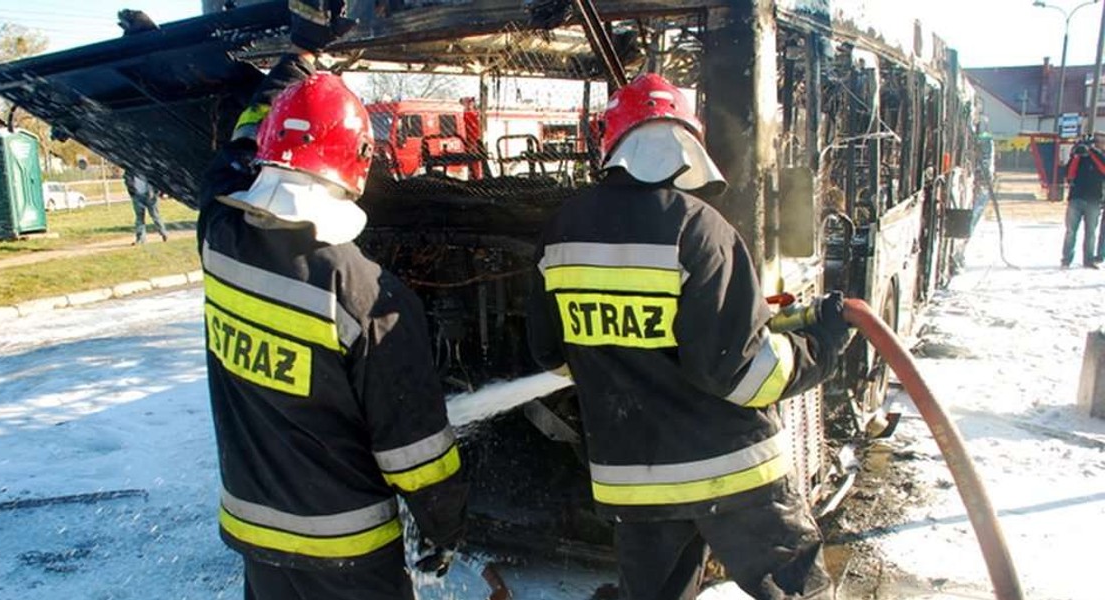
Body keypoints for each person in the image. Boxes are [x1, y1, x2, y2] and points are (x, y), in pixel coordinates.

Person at [526, 73, 851, 600]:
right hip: (733, 476)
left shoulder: (560, 232)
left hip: (634, 482)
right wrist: (823, 345)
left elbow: (553, 355)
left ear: (612, 143)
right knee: (798, 592)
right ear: (685, 145)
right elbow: (744, 373)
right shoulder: (699, 229)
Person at [196, 54, 468, 600]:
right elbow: (416, 452)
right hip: (349, 550)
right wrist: (445, 528)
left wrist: (276, 86)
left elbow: (231, 159)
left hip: (255, 531)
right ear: (357, 162)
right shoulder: (368, 296)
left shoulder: (218, 237)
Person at [1063, 132, 1105, 269]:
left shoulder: (1100, 156)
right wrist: (1076, 154)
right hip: (1076, 198)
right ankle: (1066, 259)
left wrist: (1091, 151)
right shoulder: (1079, 156)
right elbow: (1069, 174)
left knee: (1090, 232)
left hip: (1093, 199)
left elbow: (1103, 168)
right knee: (1071, 231)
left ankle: (1088, 260)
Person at [124, 169, 168, 244]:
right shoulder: (130, 169)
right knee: (139, 218)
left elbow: (157, 180)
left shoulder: (148, 167)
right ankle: (140, 239)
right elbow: (127, 179)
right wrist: (131, 191)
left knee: (155, 215)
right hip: (137, 195)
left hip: (150, 196)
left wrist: (160, 193)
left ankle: (163, 233)